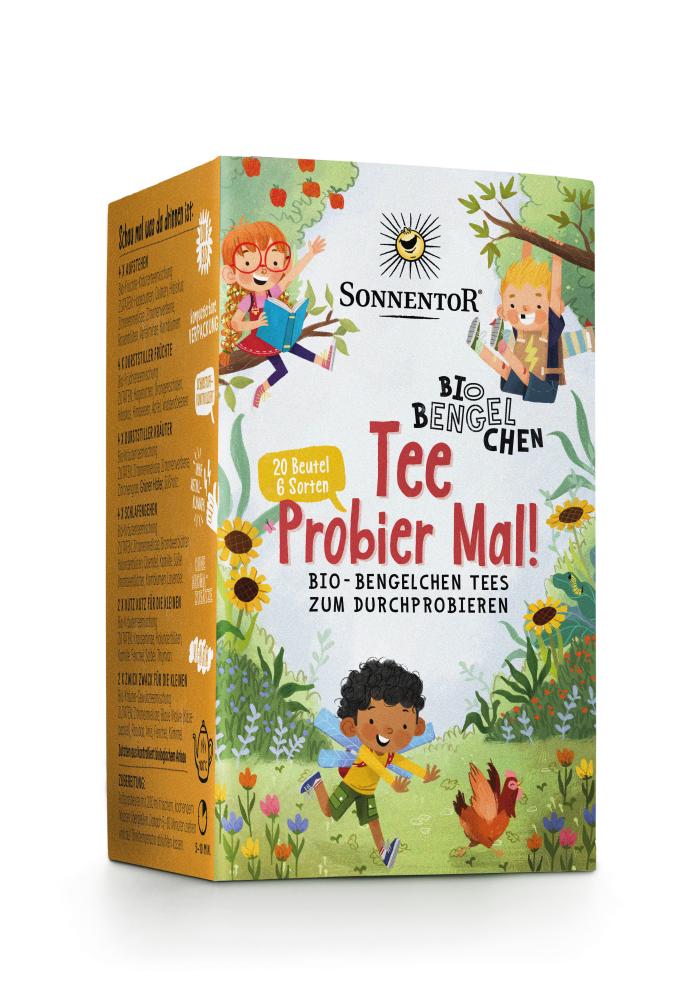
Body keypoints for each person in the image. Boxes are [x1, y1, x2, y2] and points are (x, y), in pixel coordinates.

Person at [300, 658, 440, 869]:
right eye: (374, 721)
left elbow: (402, 761)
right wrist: (392, 782)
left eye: (403, 725)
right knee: (330, 812)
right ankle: (317, 783)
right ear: (351, 726)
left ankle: (384, 852)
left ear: (417, 727)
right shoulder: (366, 750)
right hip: (350, 787)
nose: (390, 730)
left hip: (367, 792)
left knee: (373, 820)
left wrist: (423, 774)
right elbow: (376, 766)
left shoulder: (389, 754)